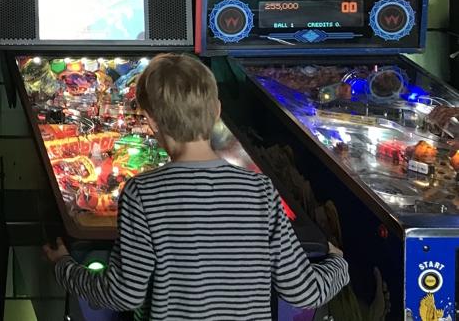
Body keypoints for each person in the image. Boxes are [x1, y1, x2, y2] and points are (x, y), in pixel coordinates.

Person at [43, 54, 348, 319]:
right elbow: (303, 292)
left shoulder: (142, 193)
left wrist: (64, 267)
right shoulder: (260, 191)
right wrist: (338, 263)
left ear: (150, 121)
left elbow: (123, 295)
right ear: (216, 110)